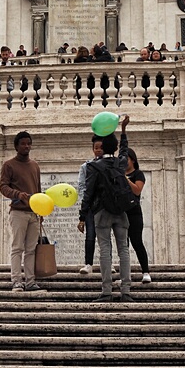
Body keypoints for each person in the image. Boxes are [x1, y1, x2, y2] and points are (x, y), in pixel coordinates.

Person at [78, 115, 133, 303]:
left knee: (105, 250)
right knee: (123, 250)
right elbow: (125, 150)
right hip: (121, 211)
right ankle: (125, 290)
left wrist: (82, 216)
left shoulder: (94, 166)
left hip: (102, 213)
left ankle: (107, 291)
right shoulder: (121, 163)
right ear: (115, 147)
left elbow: (89, 193)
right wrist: (123, 131)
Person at [0, 131, 44, 292]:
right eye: (23, 144)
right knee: (17, 247)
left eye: (29, 143)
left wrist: (41, 211)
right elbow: (3, 187)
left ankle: (30, 281)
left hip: (33, 213)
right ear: (16, 146)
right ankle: (16, 280)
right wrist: (18, 194)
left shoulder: (34, 165)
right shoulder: (9, 165)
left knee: (31, 248)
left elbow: (38, 189)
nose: (26, 146)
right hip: (18, 211)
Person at [77, 135, 104, 274]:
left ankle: (107, 262)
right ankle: (88, 263)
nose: (98, 150)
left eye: (101, 148)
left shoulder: (108, 165)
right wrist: (85, 202)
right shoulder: (86, 166)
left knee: (104, 235)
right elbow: (81, 186)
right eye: (96, 148)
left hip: (104, 205)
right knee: (90, 235)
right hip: (89, 206)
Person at [125, 148, 151, 283]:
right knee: (123, 245)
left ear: (132, 159)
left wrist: (126, 180)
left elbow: (137, 190)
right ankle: (125, 275)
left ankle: (145, 271)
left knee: (137, 241)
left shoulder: (138, 174)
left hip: (134, 212)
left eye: (126, 159)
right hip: (122, 212)